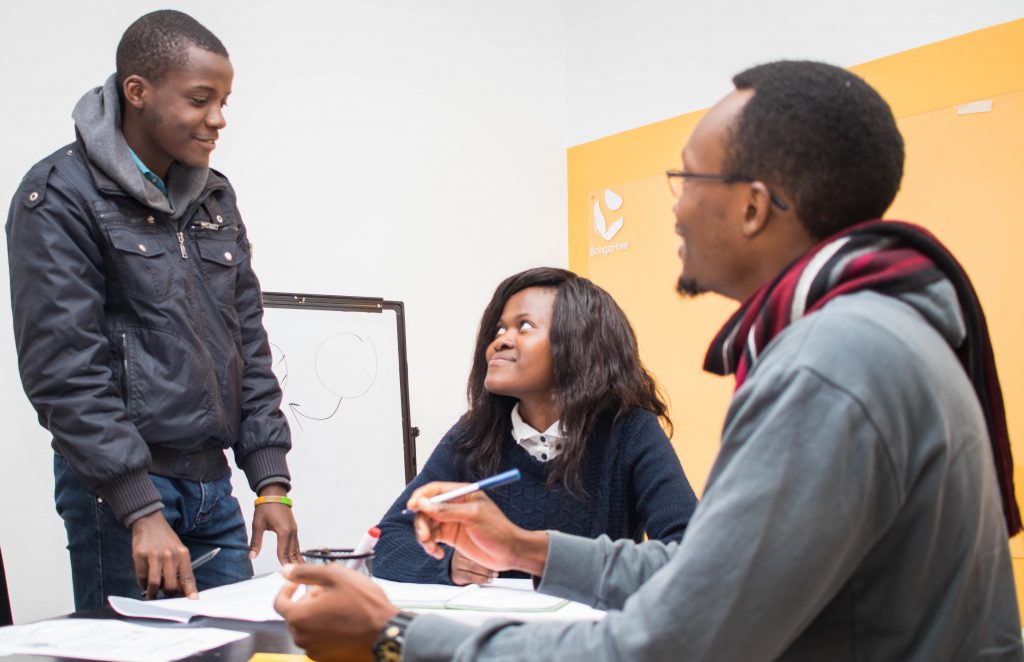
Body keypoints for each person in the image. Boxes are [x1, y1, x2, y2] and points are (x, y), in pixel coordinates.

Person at [274, 60, 1024, 661]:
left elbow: (672, 644)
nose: (675, 207)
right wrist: (526, 548)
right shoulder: (874, 334)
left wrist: (396, 639)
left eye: (689, 179)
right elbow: (710, 577)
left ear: (752, 206)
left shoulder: (827, 364)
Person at [6, 10, 302, 611]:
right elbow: (65, 373)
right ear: (137, 91)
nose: (218, 119)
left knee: (237, 646)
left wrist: (271, 480)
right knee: (138, 651)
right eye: (200, 99)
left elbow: (247, 340)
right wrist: (139, 507)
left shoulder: (214, 195)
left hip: (212, 487)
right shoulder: (59, 195)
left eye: (223, 101)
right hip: (124, 498)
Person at [372, 267, 697, 585]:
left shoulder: (629, 431)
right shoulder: (475, 433)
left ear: (579, 343)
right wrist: (450, 565)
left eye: (524, 326)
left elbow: (689, 553)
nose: (499, 342)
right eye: (499, 330)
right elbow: (389, 537)